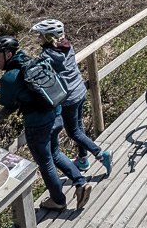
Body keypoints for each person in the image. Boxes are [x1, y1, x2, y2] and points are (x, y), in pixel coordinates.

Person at [0, 34, 92, 212]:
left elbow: (7, 102)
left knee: (45, 163)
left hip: (37, 124)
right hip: (56, 114)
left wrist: (1, 91)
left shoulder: (9, 78)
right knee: (55, 153)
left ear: (8, 55)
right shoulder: (31, 61)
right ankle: (80, 183)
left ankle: (58, 201)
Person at [32, 18, 112, 174]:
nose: (38, 38)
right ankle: (83, 159)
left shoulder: (47, 55)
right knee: (79, 127)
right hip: (79, 90)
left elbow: (38, 73)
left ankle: (101, 154)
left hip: (68, 98)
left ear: (49, 36)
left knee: (73, 132)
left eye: (40, 35)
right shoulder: (67, 45)